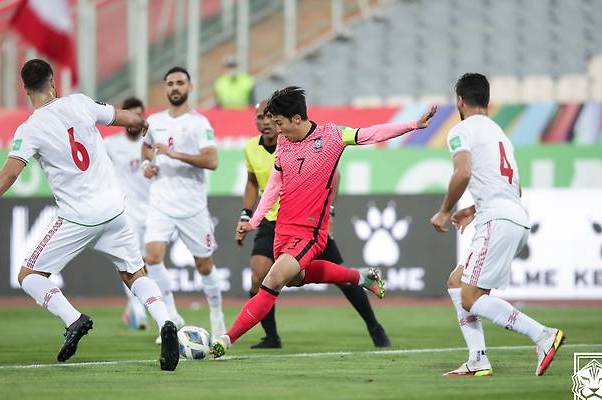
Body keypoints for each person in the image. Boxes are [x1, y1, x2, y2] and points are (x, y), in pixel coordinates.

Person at [0, 59, 179, 371]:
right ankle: (166, 321)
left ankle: (74, 319)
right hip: (115, 209)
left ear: (25, 89)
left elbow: (12, 172)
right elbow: (124, 117)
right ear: (53, 82)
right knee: (136, 274)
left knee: (29, 276)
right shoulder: (80, 103)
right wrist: (141, 122)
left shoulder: (30, 129)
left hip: (77, 216)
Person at [211, 86, 437, 358]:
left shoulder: (332, 136)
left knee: (270, 281)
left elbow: (372, 133)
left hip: (309, 233)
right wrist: (255, 220)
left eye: (280, 123)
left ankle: (225, 340)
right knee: (294, 279)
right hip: (282, 230)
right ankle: (360, 275)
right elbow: (274, 185)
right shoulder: (284, 143)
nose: (278, 130)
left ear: (296, 119)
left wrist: (414, 124)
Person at [430, 73, 565, 377]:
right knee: (457, 283)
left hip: (497, 221)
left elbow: (462, 173)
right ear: (488, 101)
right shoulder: (501, 135)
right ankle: (477, 359)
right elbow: (514, 189)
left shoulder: (461, 131)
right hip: (514, 217)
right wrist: (471, 210)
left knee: (471, 297)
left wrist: (445, 211)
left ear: (460, 101)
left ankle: (543, 334)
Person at [239, 99, 391, 349]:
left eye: (269, 117)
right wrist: (247, 216)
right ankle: (271, 337)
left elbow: (334, 174)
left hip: (307, 221)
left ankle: (374, 326)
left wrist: (329, 211)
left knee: (341, 277)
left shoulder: (296, 139)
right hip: (272, 221)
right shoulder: (250, 149)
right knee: (258, 276)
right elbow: (252, 182)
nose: (265, 122)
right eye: (259, 117)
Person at [142, 66, 226, 343]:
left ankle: (216, 315)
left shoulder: (199, 123)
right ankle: (171, 317)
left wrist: (174, 154)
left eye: (180, 83)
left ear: (190, 88)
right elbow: (147, 146)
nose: (175, 87)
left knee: (204, 266)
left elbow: (212, 161)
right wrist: (147, 165)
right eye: (170, 83)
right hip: (160, 203)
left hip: (192, 206)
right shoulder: (154, 121)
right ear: (165, 89)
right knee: (152, 257)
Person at [104, 97, 150, 331]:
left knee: (149, 263)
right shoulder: (110, 145)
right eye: (130, 115)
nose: (134, 121)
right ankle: (138, 311)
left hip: (153, 210)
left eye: (138, 115)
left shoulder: (151, 142)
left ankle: (135, 306)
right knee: (132, 262)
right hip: (127, 211)